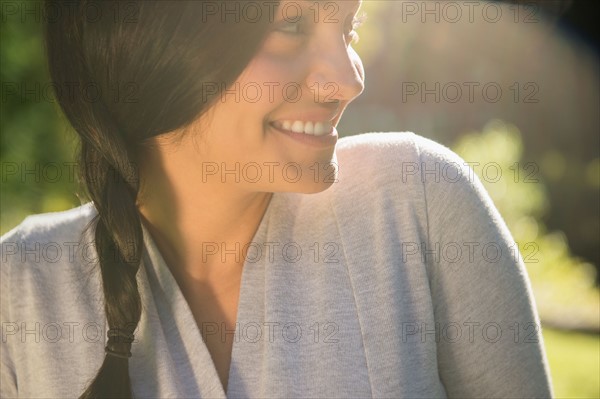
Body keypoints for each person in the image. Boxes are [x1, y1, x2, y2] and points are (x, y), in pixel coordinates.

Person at [0, 0, 554, 398]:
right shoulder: (20, 291)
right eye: (291, 24)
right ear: (150, 46)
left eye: (349, 27)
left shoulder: (417, 203)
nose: (348, 78)